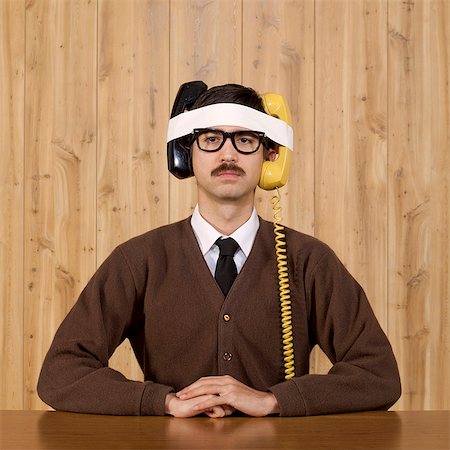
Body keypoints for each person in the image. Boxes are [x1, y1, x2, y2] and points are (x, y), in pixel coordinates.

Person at [37, 83, 401, 418]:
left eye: (245, 140)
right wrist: (163, 402)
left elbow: (378, 375)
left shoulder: (308, 261)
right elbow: (60, 373)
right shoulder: (138, 260)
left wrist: (274, 400)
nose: (228, 154)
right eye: (211, 139)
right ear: (185, 155)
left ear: (270, 155)